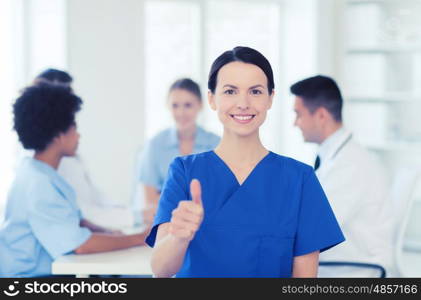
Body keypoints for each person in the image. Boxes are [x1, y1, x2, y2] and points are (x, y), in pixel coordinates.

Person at [145, 47, 345, 278]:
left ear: (270, 98)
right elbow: (160, 270)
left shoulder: (299, 179)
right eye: (230, 91)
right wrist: (178, 237)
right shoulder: (184, 172)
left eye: (256, 91)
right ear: (212, 99)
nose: (243, 103)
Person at [0, 85, 148, 277]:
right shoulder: (39, 184)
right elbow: (80, 245)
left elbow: (77, 222)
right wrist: (139, 238)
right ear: (58, 135)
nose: (78, 135)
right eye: (74, 127)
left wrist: (113, 234)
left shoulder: (39, 173)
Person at [290, 75, 394, 277]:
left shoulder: (350, 165)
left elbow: (314, 227)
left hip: (354, 271)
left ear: (321, 116)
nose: (295, 123)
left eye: (298, 115)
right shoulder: (337, 156)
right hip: (339, 263)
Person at [31, 69, 134, 229]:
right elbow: (81, 215)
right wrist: (134, 220)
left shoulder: (66, 153)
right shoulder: (46, 170)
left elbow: (91, 198)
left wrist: (124, 212)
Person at [133, 78, 220, 226]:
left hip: (208, 222)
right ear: (168, 107)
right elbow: (151, 200)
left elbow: (219, 194)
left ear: (200, 105)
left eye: (188, 105)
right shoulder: (155, 145)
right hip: (167, 222)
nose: (181, 112)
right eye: (175, 105)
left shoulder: (216, 144)